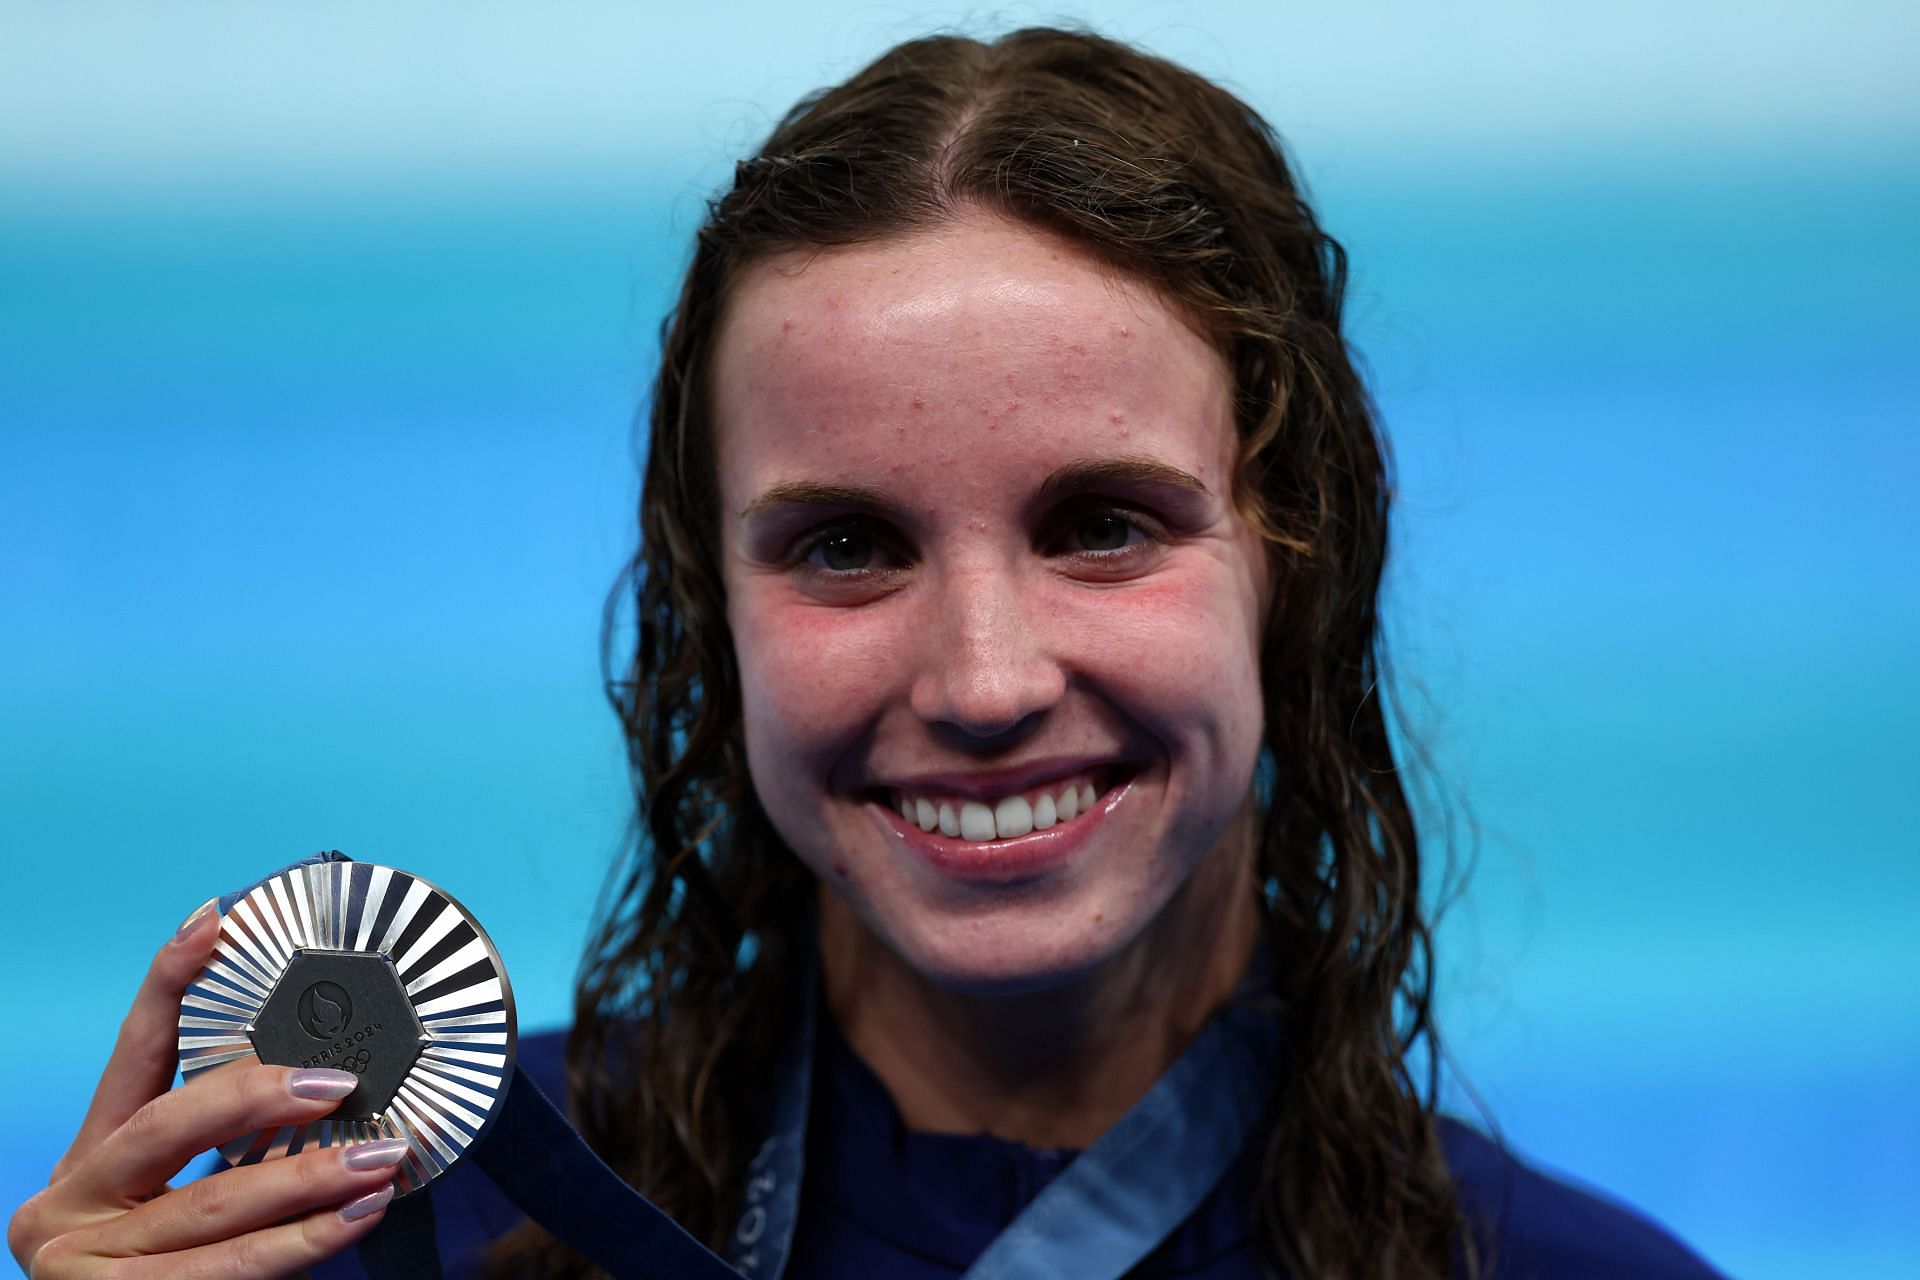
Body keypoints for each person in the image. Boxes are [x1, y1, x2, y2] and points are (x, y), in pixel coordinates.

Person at [8, 27, 1726, 1280]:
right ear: (712, 616)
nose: (983, 682)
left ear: (1295, 560)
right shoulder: (405, 1225)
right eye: (847, 546)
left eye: (1103, 523)